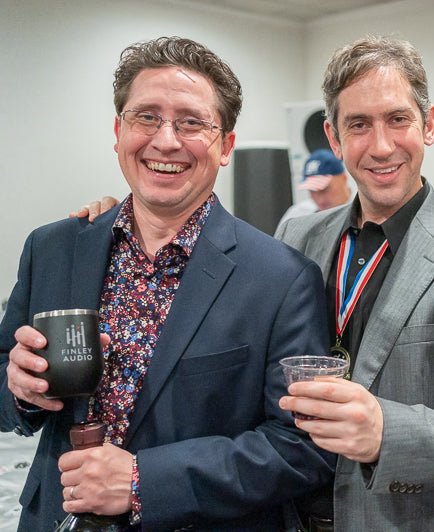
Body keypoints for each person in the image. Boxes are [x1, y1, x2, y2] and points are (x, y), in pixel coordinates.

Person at [0, 37, 335, 530]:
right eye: (146, 117)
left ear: (226, 146)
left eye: (192, 122)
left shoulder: (282, 279)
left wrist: (142, 480)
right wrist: (22, 389)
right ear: (118, 131)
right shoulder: (52, 249)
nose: (166, 140)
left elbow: (299, 448)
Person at [274, 35, 434, 531]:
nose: (381, 146)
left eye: (398, 119)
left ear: (428, 125)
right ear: (333, 139)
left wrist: (385, 433)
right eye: (358, 125)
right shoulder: (295, 235)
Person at [274, 148, 354, 229]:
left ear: (344, 178)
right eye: (312, 191)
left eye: (324, 190)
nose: (320, 199)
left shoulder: (362, 211)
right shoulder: (298, 216)